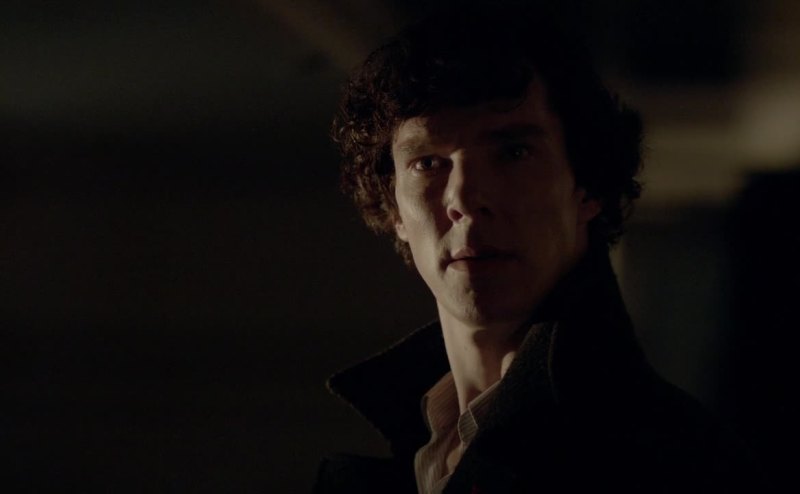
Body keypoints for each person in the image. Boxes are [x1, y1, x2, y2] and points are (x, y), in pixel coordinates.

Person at [314, 2, 762, 493]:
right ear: (394, 209)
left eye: (512, 153)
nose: (465, 198)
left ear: (586, 187)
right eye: (428, 163)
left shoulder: (675, 459)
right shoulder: (415, 460)